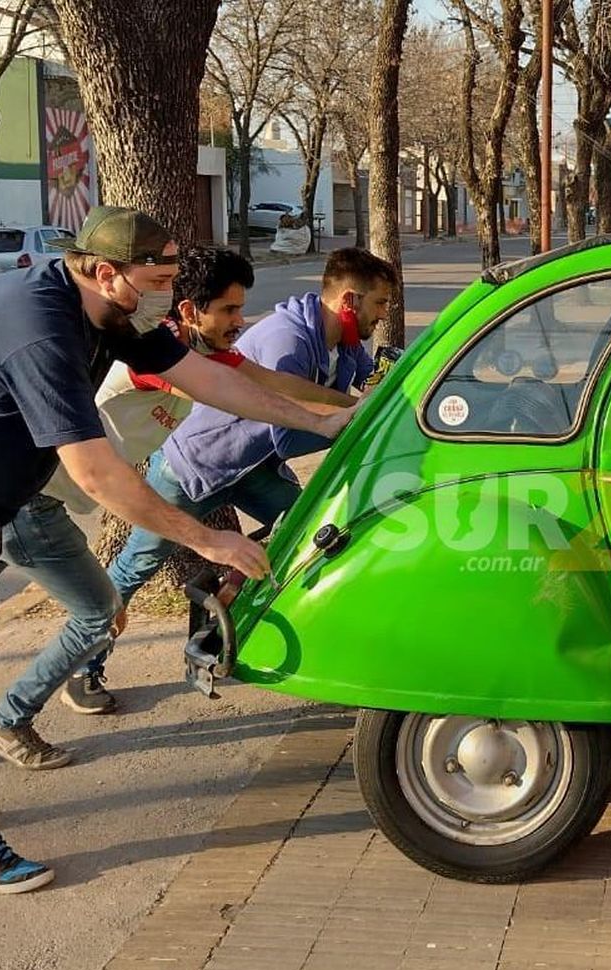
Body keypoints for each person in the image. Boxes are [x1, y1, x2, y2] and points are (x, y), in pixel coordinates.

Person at [0, 205, 354, 893]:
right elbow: (94, 473)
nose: (169, 295)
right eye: (158, 279)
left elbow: (214, 382)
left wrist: (324, 419)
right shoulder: (39, 326)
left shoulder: (115, 313)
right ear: (107, 272)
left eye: (175, 277)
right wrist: (209, 539)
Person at [71, 248, 396, 699]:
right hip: (194, 464)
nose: (383, 315)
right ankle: (83, 666)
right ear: (349, 302)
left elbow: (358, 393)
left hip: (250, 465)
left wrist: (379, 401)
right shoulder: (291, 341)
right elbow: (290, 429)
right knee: (137, 565)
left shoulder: (343, 341)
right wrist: (350, 424)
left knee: (308, 530)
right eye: (379, 304)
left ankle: (262, 620)